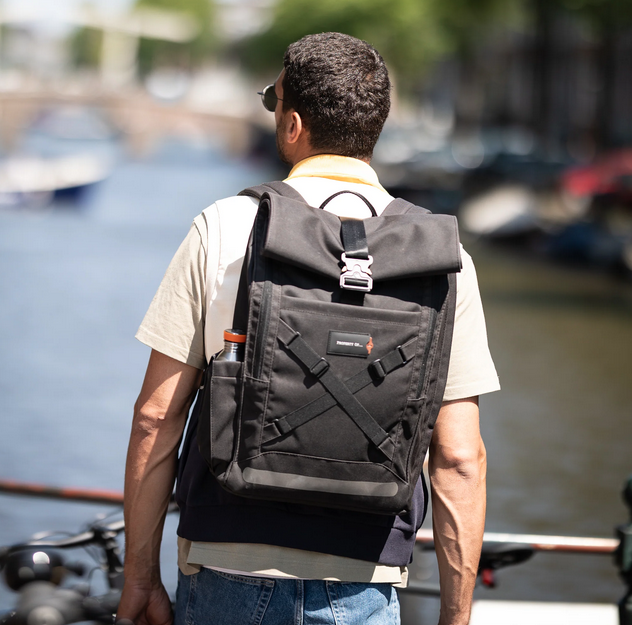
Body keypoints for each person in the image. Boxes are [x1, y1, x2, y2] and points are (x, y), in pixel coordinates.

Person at [117, 32, 499, 625]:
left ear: (292, 124)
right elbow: (459, 458)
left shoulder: (224, 228)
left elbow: (155, 419)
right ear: (375, 128)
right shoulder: (443, 259)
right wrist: (456, 616)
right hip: (365, 581)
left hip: (228, 568)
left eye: (273, 103)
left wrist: (140, 577)